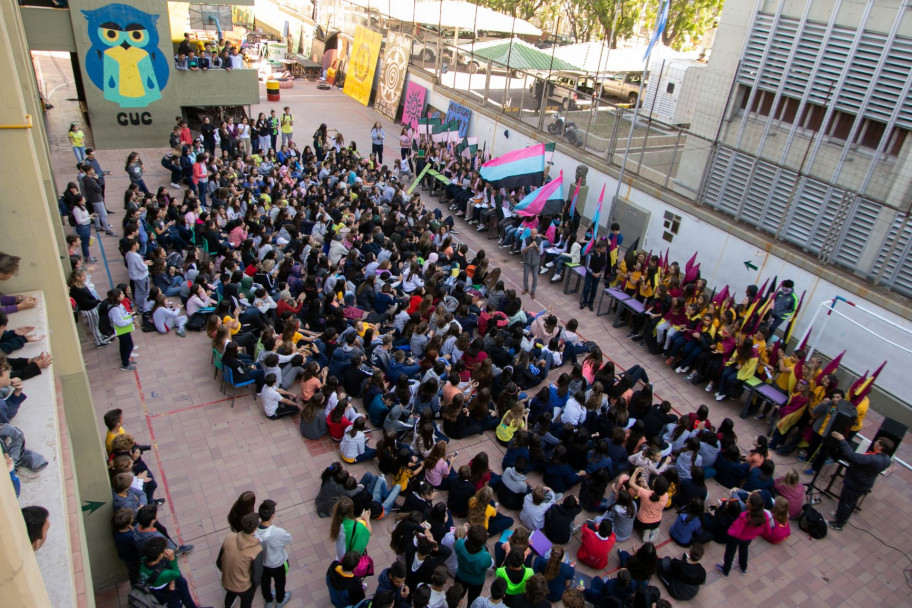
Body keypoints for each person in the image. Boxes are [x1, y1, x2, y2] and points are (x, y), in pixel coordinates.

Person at [827, 431, 893, 531]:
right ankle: (842, 517)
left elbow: (852, 456)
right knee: (851, 503)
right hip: (864, 485)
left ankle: (838, 523)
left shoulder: (872, 459)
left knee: (845, 503)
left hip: (854, 484)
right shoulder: (887, 459)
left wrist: (842, 440)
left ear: (881, 448)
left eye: (877, 443)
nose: (874, 443)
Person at [138, 537, 206, 608]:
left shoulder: (143, 560)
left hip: (156, 589)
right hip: (168, 596)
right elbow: (176, 573)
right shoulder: (163, 574)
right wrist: (172, 559)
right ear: (160, 555)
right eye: (164, 550)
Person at [716, 491, 770, 577]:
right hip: (748, 538)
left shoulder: (744, 516)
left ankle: (725, 571)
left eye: (748, 501)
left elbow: (736, 531)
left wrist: (729, 532)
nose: (746, 502)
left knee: (730, 553)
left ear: (751, 505)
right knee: (744, 550)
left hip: (735, 538)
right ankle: (743, 567)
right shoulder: (765, 515)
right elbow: (767, 531)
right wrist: (756, 533)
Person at [218, 512, 263, 608]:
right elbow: (256, 576)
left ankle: (228, 605)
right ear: (255, 528)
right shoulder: (257, 550)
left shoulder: (229, 537)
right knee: (246, 604)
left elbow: (219, 562)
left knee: (230, 595)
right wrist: (254, 586)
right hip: (244, 587)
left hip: (227, 581)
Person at [254, 499, 293, 607]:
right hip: (278, 563)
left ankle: (268, 600)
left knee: (265, 583)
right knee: (280, 583)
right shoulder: (278, 532)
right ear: (272, 515)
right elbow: (288, 539)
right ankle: (280, 600)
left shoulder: (254, 530)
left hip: (262, 564)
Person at [454, 524, 493, 606]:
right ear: (483, 542)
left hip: (460, 576)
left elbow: (459, 541)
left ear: (467, 534)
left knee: (456, 599)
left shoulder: (459, 544)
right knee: (472, 602)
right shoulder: (485, 556)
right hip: (476, 582)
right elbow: (489, 564)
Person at [579, 240, 608, 311]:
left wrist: (600, 273)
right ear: (599, 248)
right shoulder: (590, 254)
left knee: (594, 289)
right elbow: (587, 266)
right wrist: (593, 274)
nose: (604, 250)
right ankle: (584, 301)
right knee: (587, 288)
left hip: (598, 275)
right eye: (603, 249)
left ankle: (590, 303)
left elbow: (604, 265)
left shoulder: (604, 254)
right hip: (590, 274)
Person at [520, 229, 541, 299]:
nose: (533, 235)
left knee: (535, 277)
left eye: (535, 233)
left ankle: (533, 291)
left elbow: (541, 252)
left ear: (537, 234)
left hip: (536, 262)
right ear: (530, 233)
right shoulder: (526, 240)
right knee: (525, 275)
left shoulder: (540, 240)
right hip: (527, 261)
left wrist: (536, 246)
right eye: (532, 233)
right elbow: (522, 251)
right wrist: (529, 246)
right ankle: (526, 288)